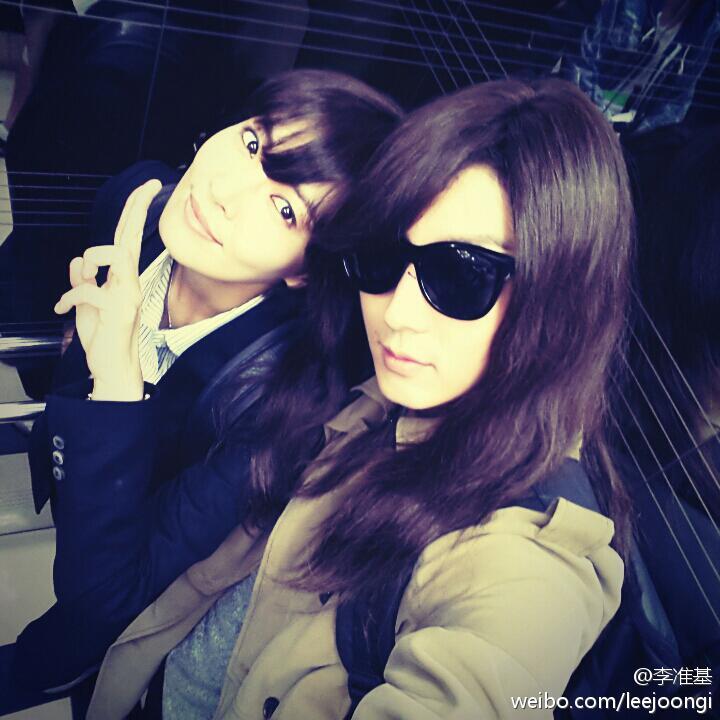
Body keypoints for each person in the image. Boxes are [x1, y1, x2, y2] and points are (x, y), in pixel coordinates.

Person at [77, 75, 633, 719]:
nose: (396, 314)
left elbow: (481, 671)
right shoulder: (377, 399)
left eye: (461, 275)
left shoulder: (527, 563)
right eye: (382, 256)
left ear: (558, 301)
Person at [3, 69, 402, 707]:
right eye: (253, 142)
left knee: (64, 654)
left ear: (306, 271)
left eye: (286, 209)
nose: (222, 192)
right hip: (71, 489)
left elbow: (109, 597)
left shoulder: (278, 406)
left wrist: (117, 384)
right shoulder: (136, 203)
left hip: (130, 596)